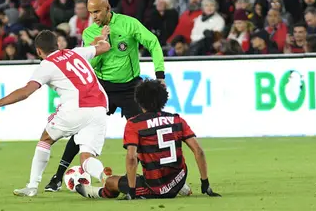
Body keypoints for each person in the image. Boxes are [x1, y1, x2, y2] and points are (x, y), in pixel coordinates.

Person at [45, 0, 166, 192]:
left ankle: (157, 175)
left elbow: (153, 42)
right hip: (102, 87)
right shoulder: (90, 33)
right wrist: (102, 45)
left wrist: (160, 75)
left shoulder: (129, 24)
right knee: (80, 129)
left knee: (143, 132)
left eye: (98, 12)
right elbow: (88, 64)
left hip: (130, 87)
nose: (94, 16)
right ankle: (58, 176)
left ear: (108, 8)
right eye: (91, 12)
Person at [0, 30, 112, 197]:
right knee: (86, 158)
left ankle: (32, 186)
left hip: (76, 107)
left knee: (46, 139)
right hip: (99, 107)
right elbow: (104, 47)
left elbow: (26, 92)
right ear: (58, 45)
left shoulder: (47, 64)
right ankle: (105, 177)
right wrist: (101, 39)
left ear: (38, 51)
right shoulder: (75, 52)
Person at [75, 79, 221, 200]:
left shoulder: (134, 124)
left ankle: (98, 193)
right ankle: (180, 186)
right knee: (149, 149)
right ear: (164, 99)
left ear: (138, 100)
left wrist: (131, 190)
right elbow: (199, 151)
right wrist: (205, 183)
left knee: (112, 181)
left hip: (155, 187)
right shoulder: (177, 120)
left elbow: (131, 158)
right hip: (179, 178)